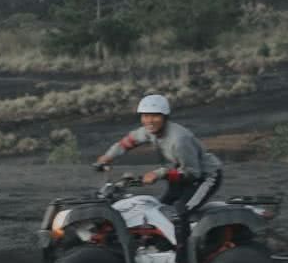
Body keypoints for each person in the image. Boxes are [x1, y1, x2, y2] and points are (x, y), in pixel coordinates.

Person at [92, 93, 224, 230]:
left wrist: (159, 174)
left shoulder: (179, 140)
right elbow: (127, 143)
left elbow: (192, 173)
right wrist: (107, 157)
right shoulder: (148, 131)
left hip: (205, 177)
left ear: (165, 117)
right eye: (145, 116)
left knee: (179, 213)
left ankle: (185, 244)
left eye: (155, 116)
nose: (149, 121)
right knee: (160, 209)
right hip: (181, 171)